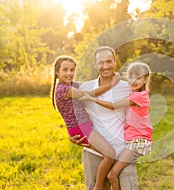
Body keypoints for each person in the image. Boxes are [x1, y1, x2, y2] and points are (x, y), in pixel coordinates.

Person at [69, 46, 139, 190]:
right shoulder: (85, 87)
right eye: (101, 62)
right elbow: (71, 111)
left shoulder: (127, 87)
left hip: (123, 152)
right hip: (94, 152)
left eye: (109, 61)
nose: (105, 66)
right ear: (95, 64)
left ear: (115, 62)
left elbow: (142, 113)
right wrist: (72, 134)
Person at [81, 62, 153, 190]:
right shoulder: (133, 92)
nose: (133, 81)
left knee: (112, 175)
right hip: (132, 141)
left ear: (146, 79)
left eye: (138, 77)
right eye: (131, 77)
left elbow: (113, 105)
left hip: (137, 142)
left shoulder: (139, 96)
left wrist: (92, 99)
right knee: (112, 175)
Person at [51, 55, 119, 190]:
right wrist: (112, 84)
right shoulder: (64, 89)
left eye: (72, 70)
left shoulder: (70, 85)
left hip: (83, 126)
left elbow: (90, 84)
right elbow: (90, 93)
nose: (69, 73)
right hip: (81, 128)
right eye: (65, 70)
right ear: (57, 72)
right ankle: (98, 187)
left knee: (109, 153)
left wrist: (107, 76)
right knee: (110, 154)